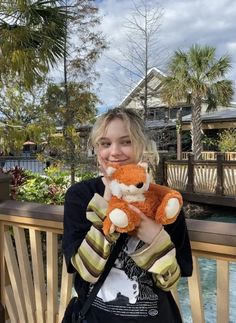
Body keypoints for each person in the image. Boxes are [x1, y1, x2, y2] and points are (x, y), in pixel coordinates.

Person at [62, 107, 193, 323]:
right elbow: (86, 272)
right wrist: (106, 207)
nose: (114, 152)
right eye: (105, 143)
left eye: (126, 141)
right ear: (97, 149)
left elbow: (170, 281)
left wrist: (155, 239)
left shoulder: (165, 202)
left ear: (141, 146)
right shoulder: (79, 196)